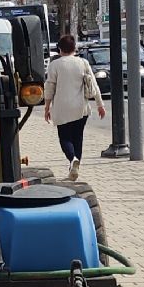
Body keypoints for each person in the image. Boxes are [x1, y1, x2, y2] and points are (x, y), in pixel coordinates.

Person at [43, 33, 104, 181]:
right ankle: (76, 164)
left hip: (62, 108)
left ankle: (72, 159)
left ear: (60, 49)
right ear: (74, 48)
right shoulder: (83, 63)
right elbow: (93, 84)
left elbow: (50, 86)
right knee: (78, 138)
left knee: (64, 137)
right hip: (81, 108)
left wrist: (47, 107)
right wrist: (99, 104)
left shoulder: (54, 65)